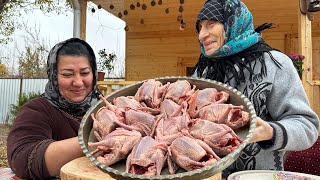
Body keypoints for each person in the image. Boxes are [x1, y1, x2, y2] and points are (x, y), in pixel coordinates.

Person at [192, 0, 319, 178]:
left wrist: (271, 132)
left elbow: (307, 126)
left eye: (210, 25)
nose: (202, 35)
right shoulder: (204, 70)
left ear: (233, 23)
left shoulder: (275, 64)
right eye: (200, 28)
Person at [7, 38, 101, 179]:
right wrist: (98, 141)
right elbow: (22, 160)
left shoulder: (106, 106)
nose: (78, 82)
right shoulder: (36, 110)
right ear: (53, 76)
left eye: (85, 73)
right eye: (67, 74)